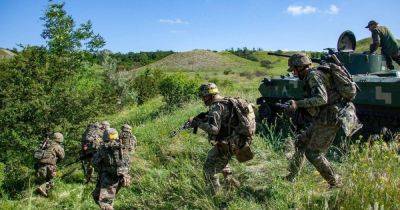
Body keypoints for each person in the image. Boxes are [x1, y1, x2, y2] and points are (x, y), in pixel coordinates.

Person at [284, 53, 361, 188]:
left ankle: (335, 183)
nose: (294, 73)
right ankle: (292, 176)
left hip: (332, 116)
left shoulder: (313, 76)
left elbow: (321, 99)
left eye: (294, 70)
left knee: (313, 153)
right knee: (301, 142)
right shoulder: (314, 73)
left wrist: (297, 104)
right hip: (326, 115)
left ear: (300, 67)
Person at [190, 83, 256, 195]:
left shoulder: (216, 106)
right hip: (235, 140)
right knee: (222, 163)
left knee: (209, 169)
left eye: (204, 96)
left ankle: (215, 196)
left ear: (210, 95)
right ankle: (234, 186)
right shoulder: (225, 101)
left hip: (230, 143)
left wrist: (198, 123)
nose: (203, 99)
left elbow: (214, 129)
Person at [92, 128, 131, 210]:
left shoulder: (104, 148)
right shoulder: (122, 146)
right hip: (122, 176)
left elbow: (95, 162)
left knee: (104, 203)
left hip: (110, 178)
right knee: (97, 195)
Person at [34, 132, 65, 197]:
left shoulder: (45, 144)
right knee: (51, 181)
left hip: (40, 165)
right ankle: (44, 191)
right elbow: (62, 156)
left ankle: (41, 195)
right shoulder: (56, 146)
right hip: (50, 166)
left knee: (42, 180)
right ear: (60, 139)